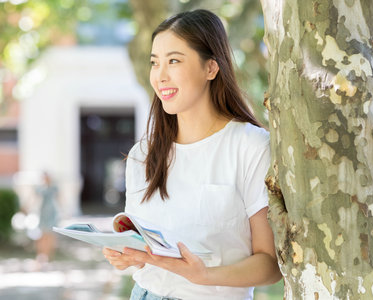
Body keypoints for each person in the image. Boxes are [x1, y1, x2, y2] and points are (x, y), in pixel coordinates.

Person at [103, 9, 281, 300]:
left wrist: (205, 276)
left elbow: (271, 263)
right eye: (154, 63)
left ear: (211, 68)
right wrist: (130, 256)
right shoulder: (144, 153)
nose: (160, 76)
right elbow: (143, 244)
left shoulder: (250, 146)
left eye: (173, 61)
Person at [35, 172, 59, 265]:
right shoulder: (40, 188)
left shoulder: (54, 188)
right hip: (42, 212)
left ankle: (49, 256)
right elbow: (35, 199)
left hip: (52, 213)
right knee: (42, 235)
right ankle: (41, 255)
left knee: (51, 235)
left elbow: (59, 199)